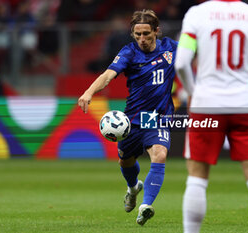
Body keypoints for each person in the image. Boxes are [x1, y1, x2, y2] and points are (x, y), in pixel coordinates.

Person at [174, 1, 248, 233]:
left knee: (197, 178)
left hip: (205, 105)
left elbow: (181, 64)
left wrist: (195, 94)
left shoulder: (196, 15)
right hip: (244, 104)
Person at [78, 9, 177, 226]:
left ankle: (146, 206)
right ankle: (133, 189)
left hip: (157, 117)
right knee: (125, 161)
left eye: (146, 34)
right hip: (132, 119)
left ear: (156, 31)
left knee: (159, 154)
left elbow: (195, 56)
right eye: (137, 34)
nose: (142, 38)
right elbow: (108, 75)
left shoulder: (171, 48)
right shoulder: (129, 52)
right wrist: (89, 92)